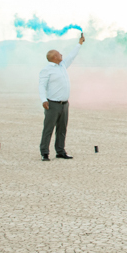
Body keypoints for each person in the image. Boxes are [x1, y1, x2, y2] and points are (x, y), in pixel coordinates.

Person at [38, 32, 85, 161]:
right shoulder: (47, 70)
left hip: (64, 104)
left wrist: (79, 43)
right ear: (54, 57)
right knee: (48, 129)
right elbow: (42, 86)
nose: (62, 55)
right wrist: (43, 100)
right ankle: (44, 153)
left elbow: (72, 56)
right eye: (59, 54)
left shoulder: (62, 66)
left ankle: (60, 151)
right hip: (52, 104)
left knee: (62, 129)